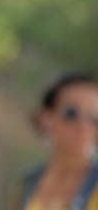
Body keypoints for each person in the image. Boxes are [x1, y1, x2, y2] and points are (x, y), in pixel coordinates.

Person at [17, 73, 98, 210]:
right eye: (71, 113)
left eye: (95, 117)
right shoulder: (28, 184)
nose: (84, 126)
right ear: (46, 118)